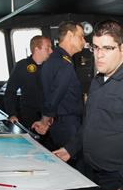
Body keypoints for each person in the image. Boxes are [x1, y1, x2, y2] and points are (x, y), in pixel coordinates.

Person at [53, 20, 123, 190]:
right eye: (95, 47)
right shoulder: (98, 80)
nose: (99, 55)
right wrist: (69, 149)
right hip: (89, 169)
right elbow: (89, 124)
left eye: (107, 48)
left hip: (115, 177)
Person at [33, 21, 85, 150]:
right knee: (76, 167)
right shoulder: (64, 63)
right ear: (69, 35)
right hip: (68, 124)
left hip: (58, 122)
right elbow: (55, 95)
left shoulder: (54, 59)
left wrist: (46, 120)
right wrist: (45, 121)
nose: (83, 41)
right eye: (81, 36)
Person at [4, 35, 53, 129]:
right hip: (29, 117)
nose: (51, 51)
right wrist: (12, 114)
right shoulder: (21, 66)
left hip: (48, 117)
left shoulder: (51, 66)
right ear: (37, 49)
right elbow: (10, 92)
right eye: (48, 48)